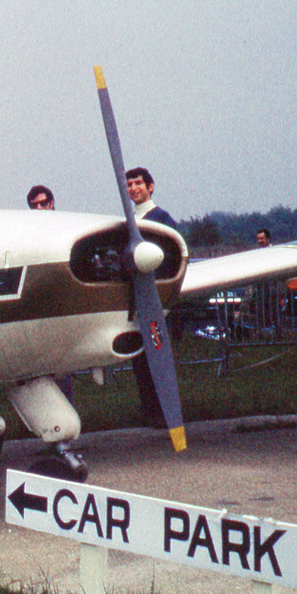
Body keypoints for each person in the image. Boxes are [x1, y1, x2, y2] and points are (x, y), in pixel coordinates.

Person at [125, 167, 176, 427]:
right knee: (141, 360)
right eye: (129, 185)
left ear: (150, 186)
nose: (134, 188)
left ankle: (164, 411)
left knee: (158, 356)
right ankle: (149, 411)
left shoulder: (161, 218)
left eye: (138, 183)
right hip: (136, 301)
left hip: (158, 298)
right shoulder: (128, 220)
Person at [26, 184, 73, 399]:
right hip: (37, 311)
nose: (39, 208)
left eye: (43, 203)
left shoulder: (65, 229)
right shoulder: (27, 233)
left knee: (61, 368)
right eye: (34, 205)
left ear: (52, 204)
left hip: (62, 310)